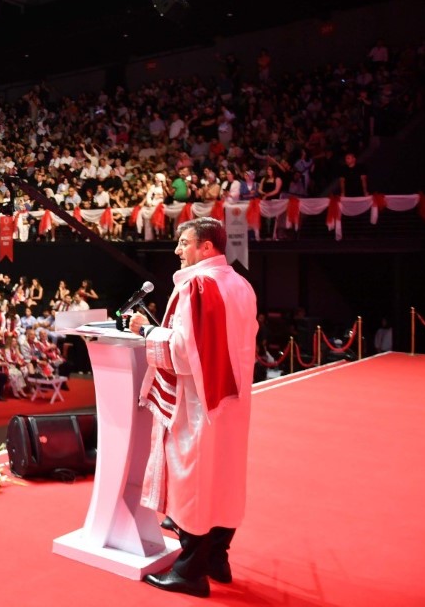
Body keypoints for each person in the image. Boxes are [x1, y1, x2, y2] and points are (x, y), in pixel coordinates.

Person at [128, 217, 258, 598]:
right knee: (225, 477)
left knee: (195, 481)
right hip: (233, 399)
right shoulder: (242, 285)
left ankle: (190, 571)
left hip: (199, 403)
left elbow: (184, 353)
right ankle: (218, 558)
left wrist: (146, 330)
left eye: (184, 243)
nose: (177, 250)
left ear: (206, 247)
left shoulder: (197, 285)